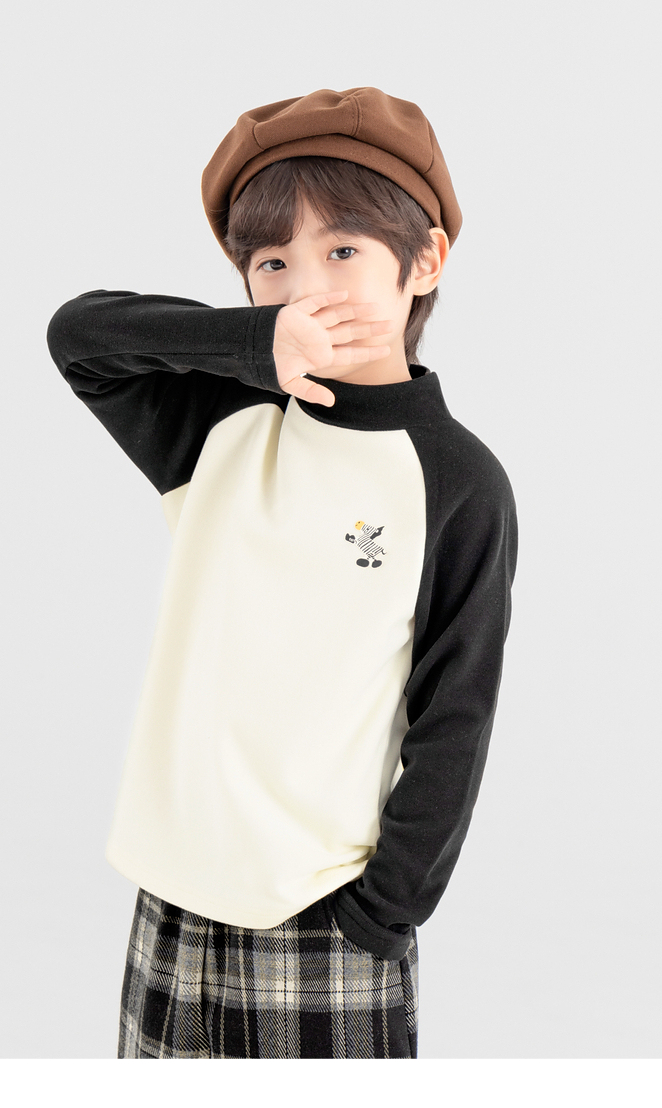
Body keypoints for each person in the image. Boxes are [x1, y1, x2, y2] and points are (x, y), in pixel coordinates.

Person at [45, 86, 518, 1060]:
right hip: (173, 900)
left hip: (326, 919)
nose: (307, 287)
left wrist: (383, 915)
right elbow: (78, 335)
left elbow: (455, 718)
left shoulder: (458, 481)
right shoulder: (221, 423)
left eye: (343, 250)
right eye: (273, 263)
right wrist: (255, 348)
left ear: (424, 260)